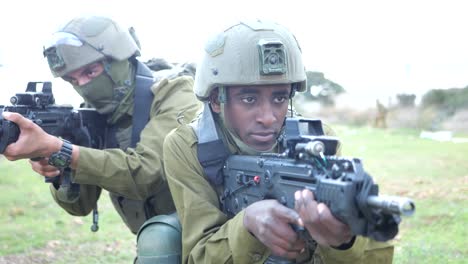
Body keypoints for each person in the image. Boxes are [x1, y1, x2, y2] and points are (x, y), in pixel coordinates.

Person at [162, 20, 395, 263]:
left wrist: (343, 243)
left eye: (280, 98)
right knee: (158, 237)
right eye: (249, 99)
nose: (268, 117)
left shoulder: (314, 140)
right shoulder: (189, 146)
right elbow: (199, 256)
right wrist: (247, 225)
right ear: (216, 100)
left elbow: (374, 255)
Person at [2, 15, 201, 251]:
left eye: (90, 72)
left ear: (119, 58)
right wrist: (58, 171)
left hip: (207, 233)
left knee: (157, 241)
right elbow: (80, 206)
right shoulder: (92, 114)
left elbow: (147, 173)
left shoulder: (175, 93)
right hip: (162, 241)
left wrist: (61, 150)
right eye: (72, 79)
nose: (83, 85)